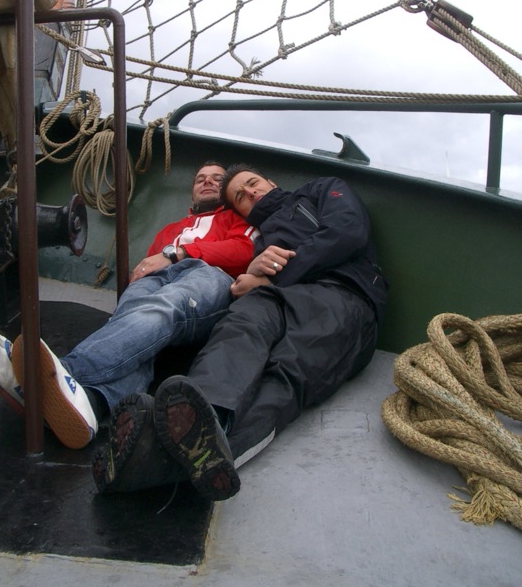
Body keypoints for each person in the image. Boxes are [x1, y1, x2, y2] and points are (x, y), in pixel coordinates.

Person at [96, 163, 388, 500]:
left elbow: (347, 231)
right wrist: (253, 273)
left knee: (285, 374)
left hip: (345, 295)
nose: (250, 193)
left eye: (252, 184)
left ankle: (168, 463)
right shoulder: (259, 235)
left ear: (271, 180)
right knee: (238, 328)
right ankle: (206, 418)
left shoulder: (321, 190)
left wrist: (275, 274)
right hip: (275, 296)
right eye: (241, 197)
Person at [0, 161, 258, 450]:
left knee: (162, 307)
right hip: (156, 280)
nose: (207, 182)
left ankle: (56, 375)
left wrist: (179, 253)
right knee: (137, 337)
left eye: (216, 178)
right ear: (192, 193)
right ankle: (90, 403)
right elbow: (149, 265)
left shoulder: (237, 219)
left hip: (208, 276)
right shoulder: (170, 229)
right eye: (200, 179)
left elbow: (243, 251)